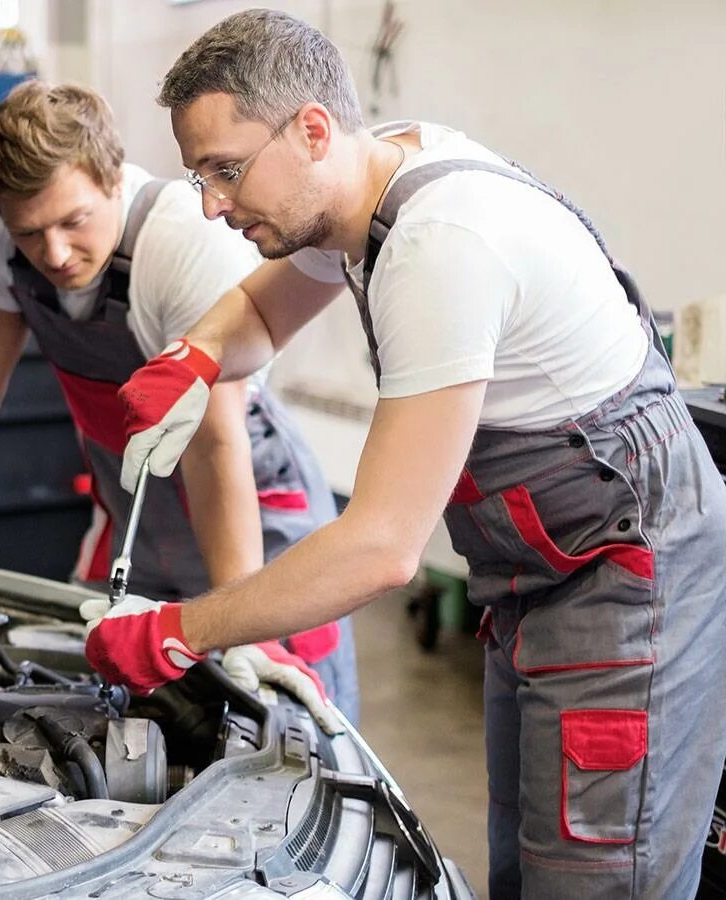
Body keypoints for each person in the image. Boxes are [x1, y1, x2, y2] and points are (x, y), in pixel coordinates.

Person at [81, 9, 726, 898]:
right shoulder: (363, 181)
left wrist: (181, 631)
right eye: (199, 176)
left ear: (311, 128)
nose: (213, 205)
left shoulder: (438, 246)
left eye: (227, 171)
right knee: (532, 866)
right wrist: (196, 356)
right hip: (541, 578)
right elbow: (265, 315)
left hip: (626, 583)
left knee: (597, 879)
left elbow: (382, 546)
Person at [0, 80, 358, 725]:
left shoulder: (180, 246)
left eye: (74, 221)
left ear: (112, 179)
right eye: (32, 232)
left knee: (285, 723)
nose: (55, 254)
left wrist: (242, 619)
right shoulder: (8, 235)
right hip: (133, 508)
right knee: (95, 701)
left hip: (251, 510)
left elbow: (214, 442)